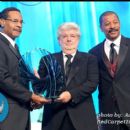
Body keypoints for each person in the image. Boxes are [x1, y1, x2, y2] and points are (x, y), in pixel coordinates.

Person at [37, 22, 99, 130]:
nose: (69, 39)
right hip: (54, 117)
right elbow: (41, 86)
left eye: (72, 36)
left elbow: (92, 83)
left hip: (82, 116)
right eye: (64, 36)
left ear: (78, 39)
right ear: (59, 40)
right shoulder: (47, 60)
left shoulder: (90, 59)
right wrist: (36, 80)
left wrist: (71, 94)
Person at [0, 7, 51, 130]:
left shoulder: (13, 46)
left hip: (20, 112)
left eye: (21, 22)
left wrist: (32, 98)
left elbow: (16, 79)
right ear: (1, 22)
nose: (19, 25)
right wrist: (31, 96)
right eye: (15, 21)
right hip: (6, 113)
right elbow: (2, 78)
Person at [89, 11, 130, 130]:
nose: (112, 26)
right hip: (108, 114)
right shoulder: (93, 53)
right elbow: (91, 82)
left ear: (120, 24)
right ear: (101, 28)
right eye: (107, 24)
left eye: (115, 22)